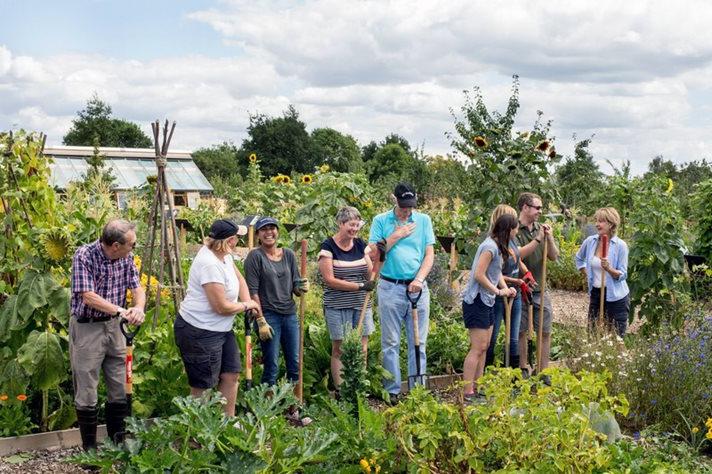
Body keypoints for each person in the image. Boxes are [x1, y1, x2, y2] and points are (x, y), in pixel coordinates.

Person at [70, 219, 146, 450]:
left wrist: (139, 308)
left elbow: (137, 288)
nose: (134, 247)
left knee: (120, 385)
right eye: (131, 244)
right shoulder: (84, 255)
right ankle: (90, 450)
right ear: (115, 245)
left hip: (116, 328)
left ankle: (117, 443)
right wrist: (121, 310)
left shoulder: (126, 258)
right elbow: (88, 296)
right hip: (88, 328)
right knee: (87, 388)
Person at [174, 219, 260, 417]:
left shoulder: (224, 256)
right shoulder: (209, 264)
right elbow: (221, 307)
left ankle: (226, 422)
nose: (238, 241)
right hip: (199, 330)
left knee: (231, 374)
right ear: (229, 241)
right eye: (237, 238)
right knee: (203, 384)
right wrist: (248, 305)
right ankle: (198, 431)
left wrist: (248, 302)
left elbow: (239, 279)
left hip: (221, 329)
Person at [369, 183, 435, 403]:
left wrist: (419, 279)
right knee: (391, 342)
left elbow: (429, 255)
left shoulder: (424, 220)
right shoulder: (380, 221)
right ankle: (393, 391)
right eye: (403, 205)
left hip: (417, 288)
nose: (407, 210)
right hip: (390, 288)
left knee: (419, 341)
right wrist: (397, 235)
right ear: (393, 199)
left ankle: (417, 390)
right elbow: (373, 253)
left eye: (411, 206)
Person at [244, 216, 310, 387]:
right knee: (271, 364)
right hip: (268, 316)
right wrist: (260, 320)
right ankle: (268, 409)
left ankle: (293, 407)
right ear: (258, 234)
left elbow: (295, 289)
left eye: (272, 228)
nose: (269, 232)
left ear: (278, 232)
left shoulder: (288, 254)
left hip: (289, 315)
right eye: (264, 229)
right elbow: (253, 292)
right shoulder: (255, 257)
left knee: (294, 362)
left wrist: (301, 287)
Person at [318, 206, 376, 393]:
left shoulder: (360, 245)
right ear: (340, 224)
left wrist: (377, 257)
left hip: (361, 304)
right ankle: (342, 391)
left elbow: (369, 272)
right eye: (350, 225)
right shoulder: (328, 247)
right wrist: (358, 286)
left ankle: (357, 385)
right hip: (337, 304)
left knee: (362, 347)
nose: (354, 229)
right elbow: (329, 280)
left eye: (357, 225)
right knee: (340, 348)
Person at [462, 214, 518, 401]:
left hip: (487, 300)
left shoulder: (498, 247)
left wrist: (505, 288)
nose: (517, 232)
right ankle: (468, 391)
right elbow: (479, 274)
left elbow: (495, 273)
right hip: (476, 300)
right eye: (515, 228)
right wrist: (498, 291)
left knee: (485, 346)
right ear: (509, 229)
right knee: (477, 348)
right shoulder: (489, 247)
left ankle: (479, 386)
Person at [484, 205, 536, 369]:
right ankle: (485, 373)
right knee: (492, 336)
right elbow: (493, 274)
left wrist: (526, 273)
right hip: (499, 294)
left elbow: (517, 258)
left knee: (513, 337)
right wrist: (514, 282)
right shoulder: (493, 245)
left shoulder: (511, 239)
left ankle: (513, 377)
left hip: (515, 294)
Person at [515, 192, 559, 382]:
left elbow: (554, 257)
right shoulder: (514, 229)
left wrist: (548, 238)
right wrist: (539, 239)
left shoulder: (542, 230)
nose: (540, 211)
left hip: (541, 289)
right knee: (522, 330)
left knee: (545, 330)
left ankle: (543, 371)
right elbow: (517, 256)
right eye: (537, 208)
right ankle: (523, 368)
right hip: (521, 287)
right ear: (525, 207)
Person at [575, 207, 630, 336]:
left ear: (611, 224)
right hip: (595, 294)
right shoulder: (590, 241)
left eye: (601, 221)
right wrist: (587, 273)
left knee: (615, 337)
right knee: (593, 334)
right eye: (596, 220)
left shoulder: (620, 246)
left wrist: (609, 269)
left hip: (616, 297)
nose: (596, 224)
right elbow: (579, 258)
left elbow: (623, 275)